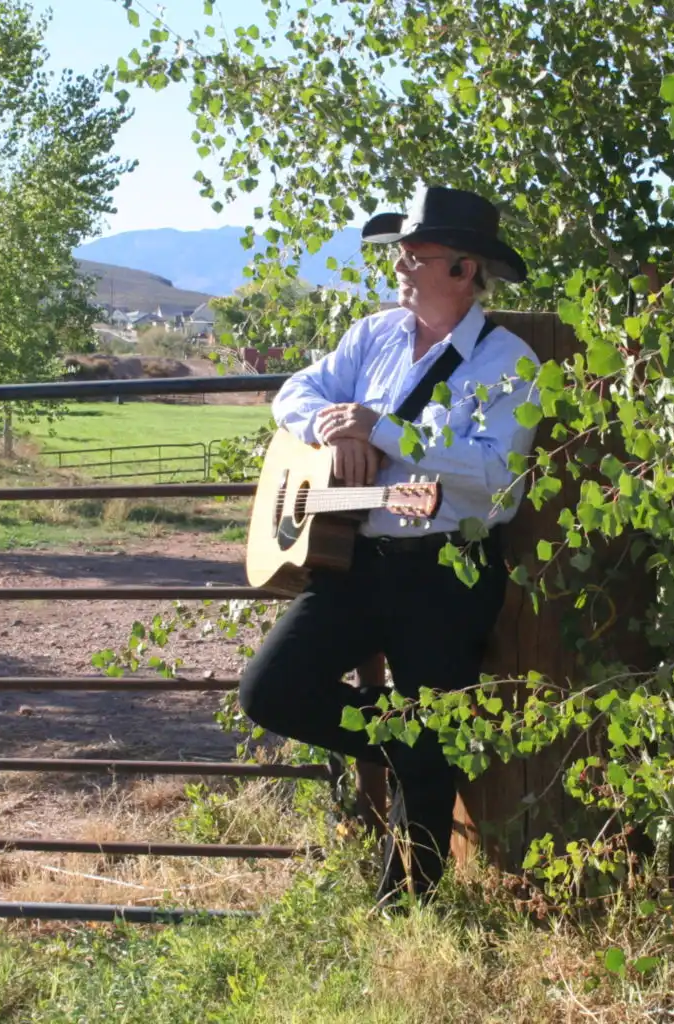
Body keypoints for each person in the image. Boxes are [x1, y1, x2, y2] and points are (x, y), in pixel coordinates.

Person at [239, 185, 539, 908]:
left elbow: (499, 481)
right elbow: (294, 394)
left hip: (447, 574)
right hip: (357, 564)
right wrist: (331, 430)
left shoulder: (511, 364)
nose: (400, 263)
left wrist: (383, 431)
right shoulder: (371, 336)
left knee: (432, 737)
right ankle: (408, 746)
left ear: (464, 271)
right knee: (270, 691)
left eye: (416, 253)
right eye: (401, 250)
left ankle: (410, 907)